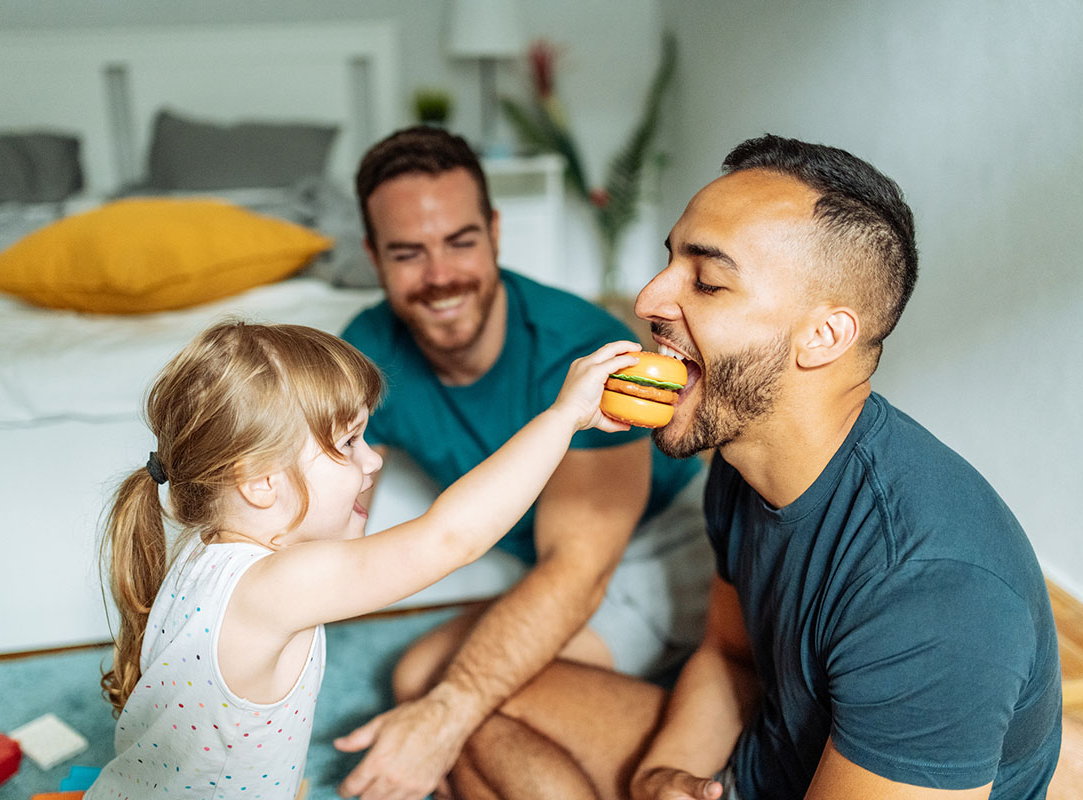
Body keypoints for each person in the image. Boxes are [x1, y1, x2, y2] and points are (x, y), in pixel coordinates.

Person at [437, 134, 1064, 800]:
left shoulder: (932, 590)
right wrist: (658, 775)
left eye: (706, 281)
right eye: (669, 263)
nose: (648, 300)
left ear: (823, 337)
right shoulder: (742, 457)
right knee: (473, 722)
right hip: (762, 758)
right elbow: (731, 655)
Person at [85, 320, 641, 800]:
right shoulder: (277, 586)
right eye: (348, 443)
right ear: (259, 483)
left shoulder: (204, 550)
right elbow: (449, 538)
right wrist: (564, 417)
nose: (373, 461)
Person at [335, 126, 714, 799]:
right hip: (556, 559)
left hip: (653, 554)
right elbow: (334, 515)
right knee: (414, 677)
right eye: (407, 254)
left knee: (461, 703)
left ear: (495, 232)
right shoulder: (369, 349)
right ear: (373, 256)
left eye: (460, 242)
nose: (440, 276)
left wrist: (451, 710)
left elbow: (580, 569)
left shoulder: (581, 346)